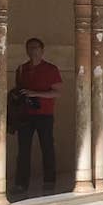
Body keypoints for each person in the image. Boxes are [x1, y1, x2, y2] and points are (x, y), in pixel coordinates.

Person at [13, 38, 62, 193]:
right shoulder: (21, 69)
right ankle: (21, 183)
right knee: (23, 150)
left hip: (44, 114)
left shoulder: (51, 69)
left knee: (47, 147)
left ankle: (49, 180)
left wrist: (35, 94)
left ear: (42, 50)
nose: (32, 50)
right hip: (25, 114)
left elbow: (57, 92)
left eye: (35, 47)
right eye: (29, 48)